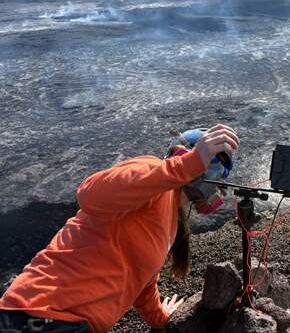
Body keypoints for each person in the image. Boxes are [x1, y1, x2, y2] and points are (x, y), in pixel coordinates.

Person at [0, 124, 240, 333]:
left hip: (65, 322)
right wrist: (186, 166)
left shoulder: (169, 222)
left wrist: (160, 318)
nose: (215, 184)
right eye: (214, 172)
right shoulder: (152, 174)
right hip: (42, 314)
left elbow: (141, 280)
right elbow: (89, 195)